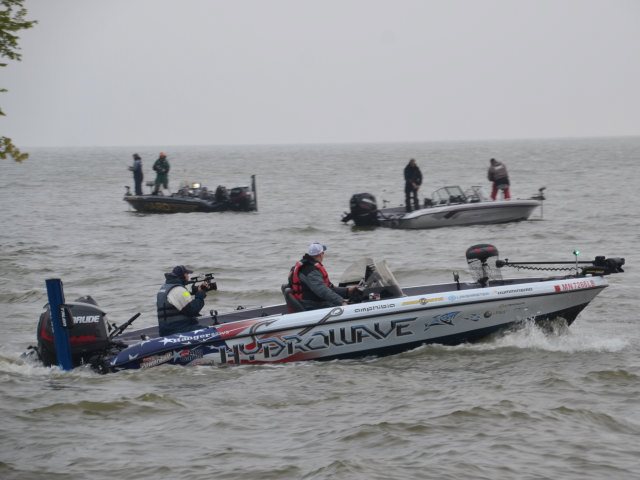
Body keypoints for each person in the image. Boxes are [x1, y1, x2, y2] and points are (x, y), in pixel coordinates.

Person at [288, 242, 356, 310]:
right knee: (349, 305)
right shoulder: (311, 271)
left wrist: (347, 291)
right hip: (312, 305)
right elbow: (323, 291)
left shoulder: (306, 266)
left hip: (310, 301)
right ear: (321, 254)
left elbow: (329, 288)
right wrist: (342, 302)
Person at [157, 265, 210, 336]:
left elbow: (181, 299)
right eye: (187, 274)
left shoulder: (165, 288)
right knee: (208, 331)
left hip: (165, 330)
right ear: (183, 275)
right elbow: (193, 310)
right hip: (178, 329)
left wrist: (196, 291)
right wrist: (200, 294)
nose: (188, 276)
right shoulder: (179, 289)